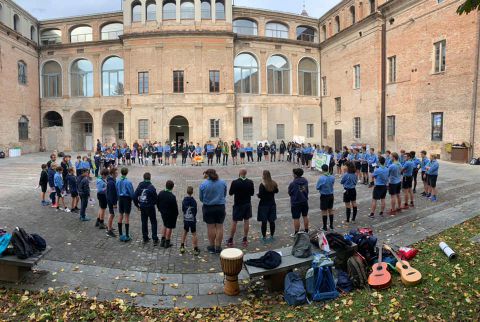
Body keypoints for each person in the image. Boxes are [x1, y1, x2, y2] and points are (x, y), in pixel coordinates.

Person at [199, 169, 227, 254]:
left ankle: (211, 246)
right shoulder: (222, 182)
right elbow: (224, 194)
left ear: (207, 175)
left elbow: (201, 198)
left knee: (210, 227)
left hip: (208, 208)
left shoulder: (203, 184)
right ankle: (218, 246)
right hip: (220, 207)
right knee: (219, 227)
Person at [227, 169, 255, 248]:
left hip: (238, 204)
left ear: (239, 173)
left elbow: (230, 193)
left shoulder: (235, 182)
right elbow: (252, 193)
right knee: (246, 221)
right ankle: (245, 238)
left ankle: (231, 239)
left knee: (234, 221)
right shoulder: (250, 182)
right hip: (247, 204)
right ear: (246, 174)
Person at [134, 172, 159, 245]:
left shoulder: (140, 185)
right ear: (150, 178)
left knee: (144, 222)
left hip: (142, 206)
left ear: (143, 177)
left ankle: (145, 237)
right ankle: (154, 238)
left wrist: (137, 205)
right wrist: (153, 204)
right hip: (150, 207)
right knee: (153, 222)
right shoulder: (151, 187)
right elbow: (156, 198)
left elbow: (134, 196)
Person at [257, 170, 279, 242]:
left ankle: (264, 236)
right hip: (272, 204)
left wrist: (258, 195)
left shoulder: (262, 184)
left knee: (264, 222)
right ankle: (272, 235)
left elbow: (261, 195)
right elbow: (276, 191)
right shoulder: (273, 183)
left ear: (263, 175)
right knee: (272, 221)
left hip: (263, 205)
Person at [156, 180, 179, 248]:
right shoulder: (172, 196)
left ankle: (162, 241)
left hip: (163, 213)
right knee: (169, 227)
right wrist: (176, 214)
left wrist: (159, 209)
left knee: (164, 225)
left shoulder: (161, 193)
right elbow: (175, 208)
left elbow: (157, 202)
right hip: (170, 214)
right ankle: (167, 242)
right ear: (172, 187)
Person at [288, 168, 309, 237]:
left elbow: (290, 192)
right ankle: (306, 231)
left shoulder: (293, 183)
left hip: (296, 202)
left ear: (295, 175)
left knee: (296, 218)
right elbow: (303, 189)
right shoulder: (305, 181)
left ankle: (296, 233)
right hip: (304, 201)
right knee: (305, 216)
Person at [116, 167, 135, 242]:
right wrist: (133, 199)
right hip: (126, 199)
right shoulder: (128, 182)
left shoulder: (117, 181)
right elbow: (131, 192)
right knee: (126, 216)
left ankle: (120, 234)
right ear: (126, 173)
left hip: (120, 198)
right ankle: (127, 234)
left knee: (120, 215)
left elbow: (117, 190)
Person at [180, 186, 200, 255]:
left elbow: (183, 209)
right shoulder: (194, 201)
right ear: (192, 192)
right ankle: (195, 249)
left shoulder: (184, 200)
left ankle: (182, 246)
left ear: (187, 191)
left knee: (185, 232)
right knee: (194, 234)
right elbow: (195, 211)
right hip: (192, 220)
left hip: (186, 219)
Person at [316, 164, 335, 231]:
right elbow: (332, 184)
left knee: (324, 211)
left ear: (322, 169)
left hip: (324, 196)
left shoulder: (321, 178)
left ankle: (324, 227)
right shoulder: (332, 177)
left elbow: (317, 187)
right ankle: (331, 225)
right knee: (330, 210)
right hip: (331, 195)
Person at [106, 167, 118, 237]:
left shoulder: (112, 180)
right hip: (111, 201)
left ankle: (109, 227)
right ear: (112, 174)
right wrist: (114, 203)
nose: (117, 174)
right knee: (112, 214)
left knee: (111, 214)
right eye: (116, 173)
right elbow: (111, 194)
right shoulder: (111, 182)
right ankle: (109, 230)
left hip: (111, 200)